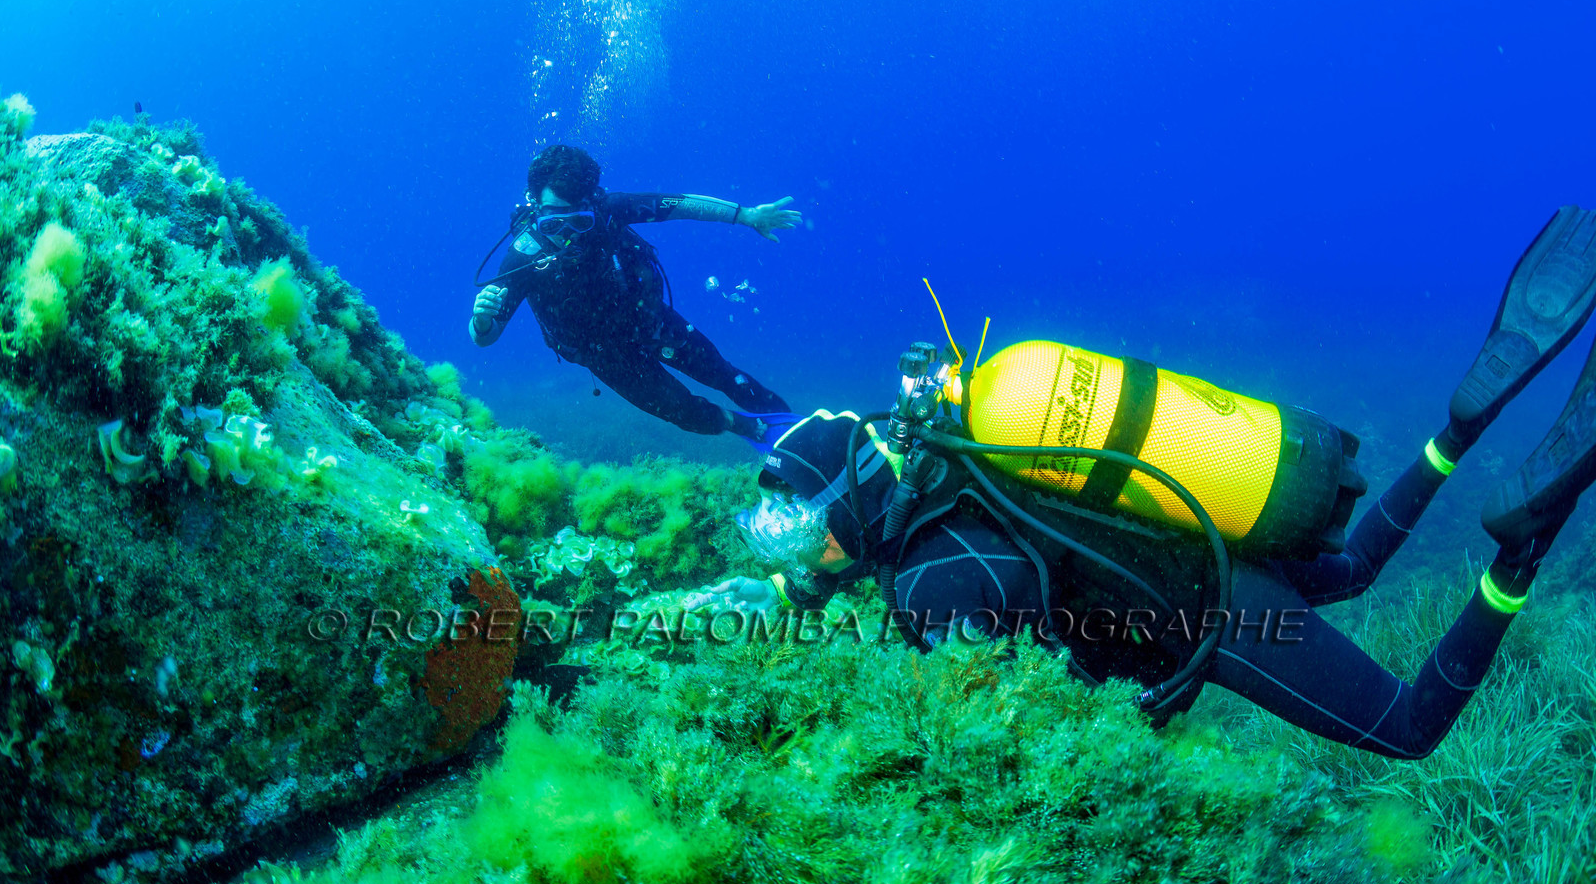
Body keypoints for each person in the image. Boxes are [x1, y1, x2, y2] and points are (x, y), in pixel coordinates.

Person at [688, 207, 1596, 759]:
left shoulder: (928, 580)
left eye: (801, 528)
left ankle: (1524, 548)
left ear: (844, 506)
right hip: (1201, 532)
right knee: (1354, 568)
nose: (805, 549)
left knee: (1404, 729)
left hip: (1211, 617)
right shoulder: (942, 458)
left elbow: (1006, 718)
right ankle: (1459, 429)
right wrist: (781, 583)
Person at [470, 145, 801, 445]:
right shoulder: (523, 257)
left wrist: (746, 215)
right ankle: (742, 426)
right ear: (534, 206)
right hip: (604, 355)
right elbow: (485, 337)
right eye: (553, 225)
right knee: (682, 409)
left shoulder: (608, 209)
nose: (567, 237)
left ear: (591, 202)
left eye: (579, 223)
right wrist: (482, 320)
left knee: (725, 375)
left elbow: (678, 205)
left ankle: (797, 432)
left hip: (649, 320)